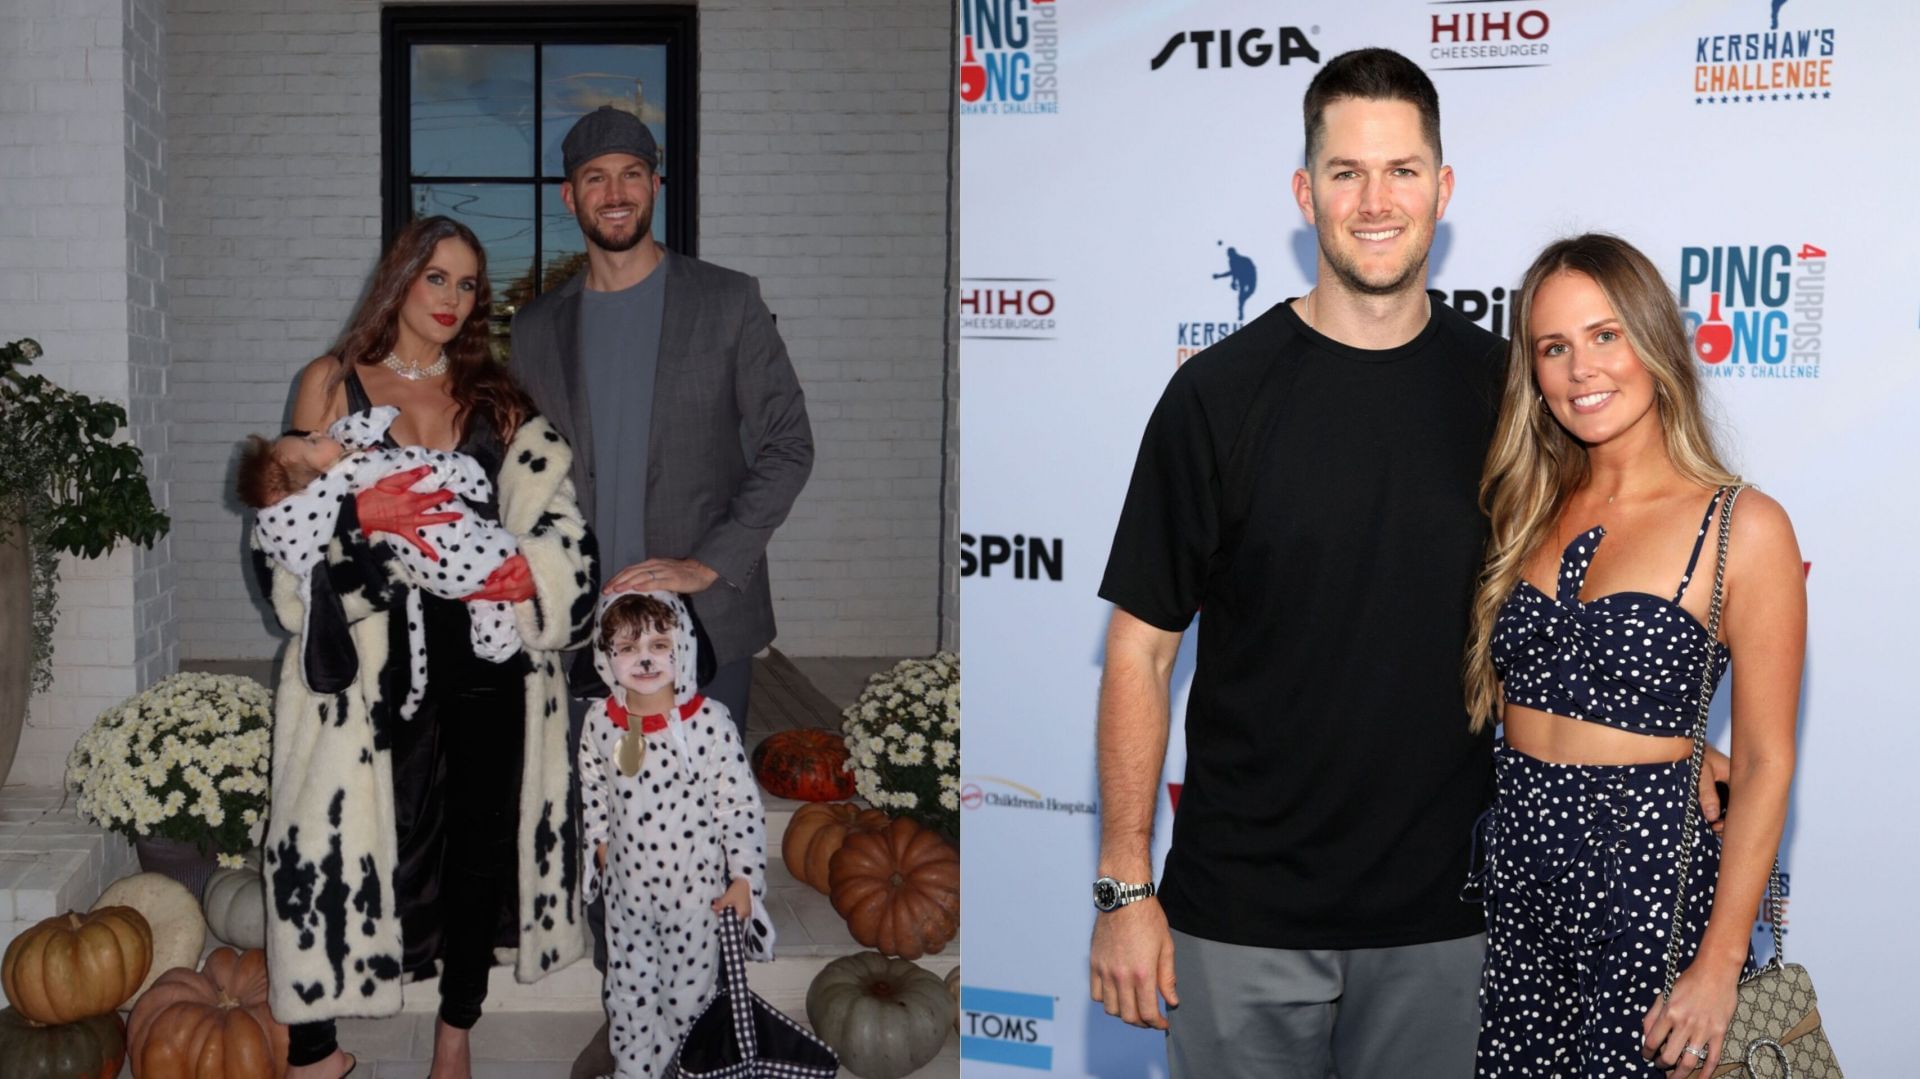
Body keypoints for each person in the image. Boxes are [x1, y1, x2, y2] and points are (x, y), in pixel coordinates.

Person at [1090, 49, 1501, 1076]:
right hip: (1241, 917)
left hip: (1447, 917)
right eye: (1347, 172)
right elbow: (1138, 654)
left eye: (1402, 170)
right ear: (1303, 190)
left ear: (1442, 190)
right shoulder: (1217, 398)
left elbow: (1600, 591)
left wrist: (1678, 747)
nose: (1375, 200)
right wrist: (1124, 886)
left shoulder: (1511, 395)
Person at [508, 105, 813, 1078]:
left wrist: (709, 558)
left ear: (655, 184)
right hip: (588, 640)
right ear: (571, 198)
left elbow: (786, 445)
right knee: (616, 835)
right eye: (594, 178)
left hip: (699, 634)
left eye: (630, 173)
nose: (614, 192)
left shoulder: (726, 303)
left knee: (695, 832)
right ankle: (630, 1008)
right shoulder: (537, 327)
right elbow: (518, 469)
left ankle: (704, 1021)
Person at [258, 215, 597, 1079]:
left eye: (468, 284)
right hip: (368, 657)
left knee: (479, 837)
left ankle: (456, 1032)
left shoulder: (496, 399)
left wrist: (532, 577)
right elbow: (281, 537)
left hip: (487, 654)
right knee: (335, 837)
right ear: (400, 279)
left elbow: (557, 526)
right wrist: (361, 514)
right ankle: (315, 1047)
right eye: (436, 277)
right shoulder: (332, 384)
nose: (452, 299)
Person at [1463, 233, 1803, 1078]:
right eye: (1554, 346)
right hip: (1519, 890)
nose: (1582, 368)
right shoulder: (1523, 508)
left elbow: (1764, 758)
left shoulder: (1743, 526)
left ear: (1653, 343)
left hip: (1649, 893)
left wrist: (1721, 964)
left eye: (1605, 335)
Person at [578, 590, 772, 1077]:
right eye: (626, 647)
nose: (644, 658)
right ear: (607, 658)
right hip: (628, 896)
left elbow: (740, 806)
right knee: (627, 990)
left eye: (658, 644)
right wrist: (600, 846)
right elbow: (593, 789)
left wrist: (745, 879)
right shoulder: (600, 722)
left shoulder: (709, 724)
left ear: (681, 646)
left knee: (688, 997)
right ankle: (632, 1069)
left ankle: (679, 1067)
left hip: (695, 896)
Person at [239, 405, 524, 720]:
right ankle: (491, 613)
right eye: (312, 443)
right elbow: (412, 467)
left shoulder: (492, 392)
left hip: (467, 612)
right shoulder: (348, 466)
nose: (317, 432)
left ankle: (491, 619)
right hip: (385, 663)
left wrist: (542, 575)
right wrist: (358, 517)